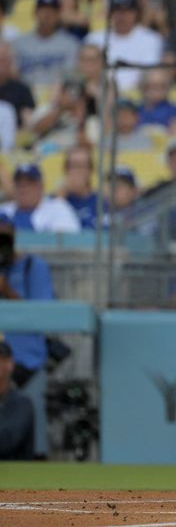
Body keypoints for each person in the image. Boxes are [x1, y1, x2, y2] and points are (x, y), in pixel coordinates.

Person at [0, 214, 55, 458]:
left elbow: (43, 314)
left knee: (33, 437)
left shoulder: (34, 266)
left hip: (28, 363)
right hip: (2, 362)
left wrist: (6, 291)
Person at [84, 0, 164, 92]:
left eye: (127, 11)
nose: (122, 16)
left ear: (136, 13)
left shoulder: (152, 39)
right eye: (117, 11)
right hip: (101, 94)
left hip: (139, 96)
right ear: (110, 13)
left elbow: (151, 75)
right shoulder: (94, 39)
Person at [10, 0, 80, 88]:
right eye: (43, 10)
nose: (47, 15)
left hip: (57, 98)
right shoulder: (18, 44)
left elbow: (70, 78)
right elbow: (13, 75)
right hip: (24, 97)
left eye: (52, 10)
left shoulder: (71, 44)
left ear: (59, 14)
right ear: (34, 12)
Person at [0, 163, 80, 233]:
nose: (24, 189)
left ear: (41, 186)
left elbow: (69, 242)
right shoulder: (4, 210)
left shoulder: (58, 208)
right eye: (19, 184)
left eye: (29, 184)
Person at [0, 340, 34, 460]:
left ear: (10, 364)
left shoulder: (21, 402)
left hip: (16, 472)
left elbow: (8, 441)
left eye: (3, 360)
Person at [58, 145, 99, 229]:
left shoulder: (101, 202)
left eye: (82, 166)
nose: (78, 171)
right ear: (66, 170)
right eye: (74, 166)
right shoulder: (56, 199)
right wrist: (61, 196)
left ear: (90, 170)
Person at [0, 41, 35, 128]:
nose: (2, 64)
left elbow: (29, 122)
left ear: (11, 61)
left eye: (5, 59)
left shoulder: (22, 90)